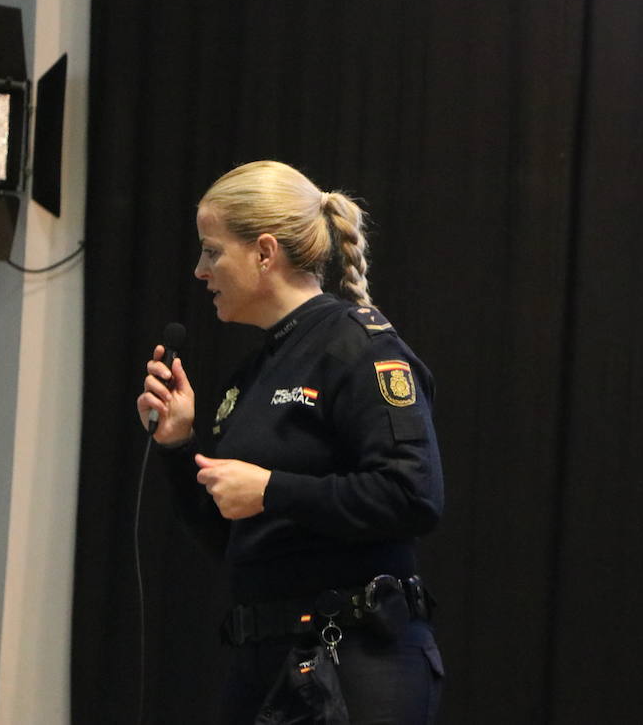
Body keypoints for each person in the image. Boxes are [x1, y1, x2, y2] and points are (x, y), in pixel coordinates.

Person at [136, 161, 445, 724]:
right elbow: (233, 539)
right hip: (269, 659)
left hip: (357, 660)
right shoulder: (250, 375)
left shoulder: (360, 347)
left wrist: (274, 490)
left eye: (211, 251)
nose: (200, 271)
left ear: (264, 252)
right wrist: (179, 447)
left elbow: (413, 494)